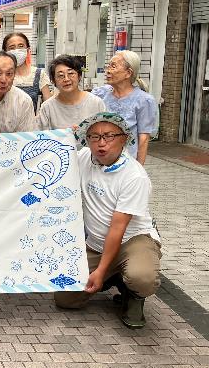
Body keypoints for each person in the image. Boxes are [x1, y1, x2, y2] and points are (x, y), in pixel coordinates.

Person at [55, 112, 162, 329]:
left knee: (142, 278)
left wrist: (100, 270)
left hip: (131, 240)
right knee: (65, 298)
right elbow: (55, 157)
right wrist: (65, 137)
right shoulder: (84, 157)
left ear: (124, 139)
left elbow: (117, 228)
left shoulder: (134, 176)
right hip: (96, 243)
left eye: (109, 136)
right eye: (94, 136)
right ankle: (113, 276)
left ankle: (132, 292)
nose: (101, 143)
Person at [92, 50, 158, 164]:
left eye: (113, 66)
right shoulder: (100, 94)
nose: (108, 71)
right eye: (108, 66)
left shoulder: (143, 100)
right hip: (98, 160)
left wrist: (139, 169)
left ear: (128, 73)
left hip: (126, 162)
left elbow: (143, 138)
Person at [38, 55, 106, 130]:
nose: (66, 79)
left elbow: (105, 131)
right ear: (53, 81)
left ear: (79, 76)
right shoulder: (47, 107)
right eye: (60, 75)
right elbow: (41, 135)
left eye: (70, 73)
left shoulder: (96, 103)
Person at [2, 32, 51, 112]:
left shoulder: (39, 74)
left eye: (21, 46)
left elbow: (49, 106)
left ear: (27, 50)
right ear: (5, 52)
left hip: (32, 119)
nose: (17, 50)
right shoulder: (1, 76)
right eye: (12, 47)